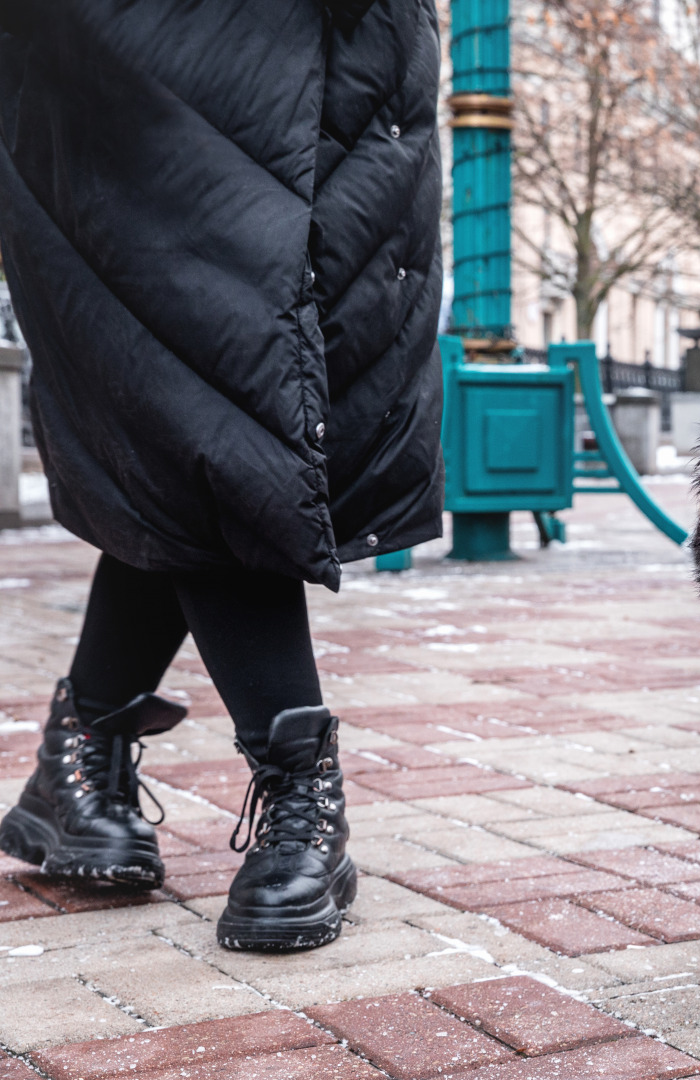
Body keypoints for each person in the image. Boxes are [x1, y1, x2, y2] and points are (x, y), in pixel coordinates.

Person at [0, 0, 445, 952]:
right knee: (217, 399)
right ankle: (298, 796)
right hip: (136, 60)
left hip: (338, 66)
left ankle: (77, 766)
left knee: (209, 404)